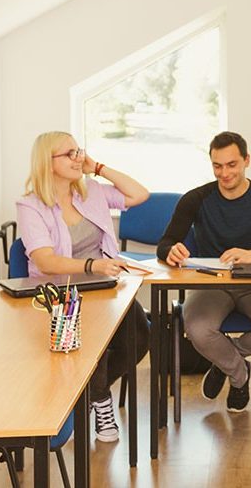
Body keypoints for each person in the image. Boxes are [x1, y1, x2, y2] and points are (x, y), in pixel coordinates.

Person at [16, 131, 151, 443]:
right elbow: (46, 261)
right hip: (61, 295)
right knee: (97, 342)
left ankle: (89, 393)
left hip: (105, 284)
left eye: (79, 151)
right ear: (47, 163)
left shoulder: (90, 190)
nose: (78, 157)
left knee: (140, 338)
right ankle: (101, 399)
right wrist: (92, 266)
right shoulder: (30, 205)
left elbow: (139, 195)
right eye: (70, 154)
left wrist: (98, 168)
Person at [156, 131, 251, 413]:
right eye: (217, 166)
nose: (224, 173)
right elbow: (165, 244)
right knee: (196, 329)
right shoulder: (195, 199)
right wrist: (170, 252)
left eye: (232, 165)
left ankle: (226, 362)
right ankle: (239, 374)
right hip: (211, 283)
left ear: (246, 160)